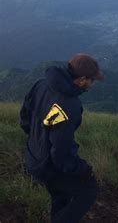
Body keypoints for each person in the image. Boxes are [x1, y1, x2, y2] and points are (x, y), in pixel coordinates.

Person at [20, 54, 104, 223]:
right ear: (82, 79)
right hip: (47, 165)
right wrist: (82, 169)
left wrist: (37, 140)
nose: (91, 84)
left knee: (61, 195)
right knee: (89, 189)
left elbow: (25, 118)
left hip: (34, 154)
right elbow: (61, 154)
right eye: (91, 80)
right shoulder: (69, 105)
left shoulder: (41, 84)